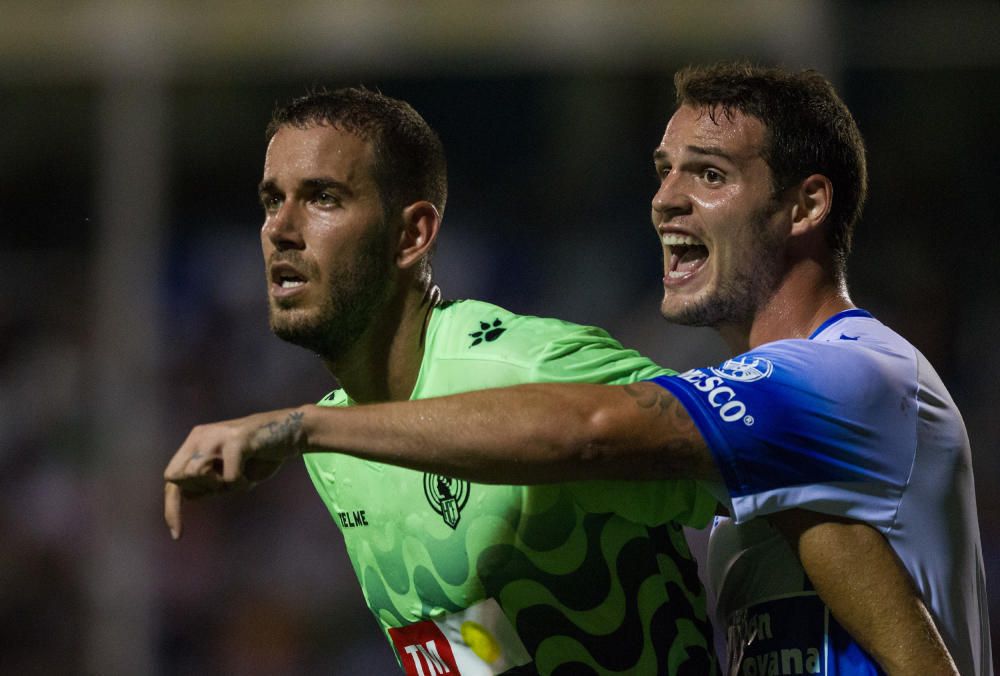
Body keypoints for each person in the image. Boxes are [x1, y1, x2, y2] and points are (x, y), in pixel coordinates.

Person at [165, 64, 993, 675]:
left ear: (806, 205)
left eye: (707, 173)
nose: (665, 199)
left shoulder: (854, 378)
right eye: (661, 172)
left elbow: (597, 432)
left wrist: (305, 428)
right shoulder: (770, 439)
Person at [167, 87, 721, 675]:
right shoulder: (337, 455)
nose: (280, 228)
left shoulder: (528, 365)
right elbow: (476, 646)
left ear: (412, 234)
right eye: (271, 200)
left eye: (323, 198)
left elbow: (751, 454)